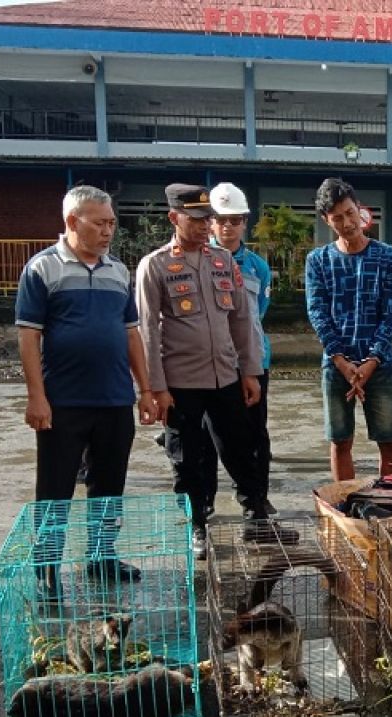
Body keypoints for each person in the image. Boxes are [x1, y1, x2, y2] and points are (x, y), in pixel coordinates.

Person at [16, 185, 156, 589]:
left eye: (112, 223)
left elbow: (131, 334)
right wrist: (36, 396)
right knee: (55, 490)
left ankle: (102, 556)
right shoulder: (42, 268)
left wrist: (144, 390)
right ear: (72, 222)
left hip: (114, 399)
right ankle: (47, 570)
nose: (108, 231)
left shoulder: (118, 271)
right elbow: (28, 336)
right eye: (100, 223)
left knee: (109, 487)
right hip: (63, 403)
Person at [137, 184, 275, 560]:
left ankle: (256, 513)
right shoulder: (156, 265)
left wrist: (249, 371)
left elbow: (242, 320)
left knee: (241, 445)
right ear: (173, 218)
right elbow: (147, 329)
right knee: (188, 456)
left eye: (207, 219)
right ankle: (197, 521)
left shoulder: (222, 262)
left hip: (226, 377)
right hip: (181, 383)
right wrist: (154, 388)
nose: (203, 226)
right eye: (196, 219)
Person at [171, 181, 277, 518]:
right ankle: (203, 505)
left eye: (235, 220)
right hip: (202, 368)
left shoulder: (256, 266)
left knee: (251, 438)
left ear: (245, 222)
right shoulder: (179, 262)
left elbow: (253, 315)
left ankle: (256, 501)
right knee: (202, 444)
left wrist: (249, 364)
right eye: (220, 219)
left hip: (250, 363)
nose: (227, 226)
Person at [305, 178, 392, 480]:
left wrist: (372, 360)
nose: (347, 222)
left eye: (350, 213)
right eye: (338, 217)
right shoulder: (318, 261)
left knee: (389, 441)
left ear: (359, 209)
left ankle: (390, 505)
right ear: (326, 220)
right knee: (340, 441)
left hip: (381, 365)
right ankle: (346, 505)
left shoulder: (388, 258)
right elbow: (317, 312)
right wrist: (341, 361)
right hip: (336, 367)